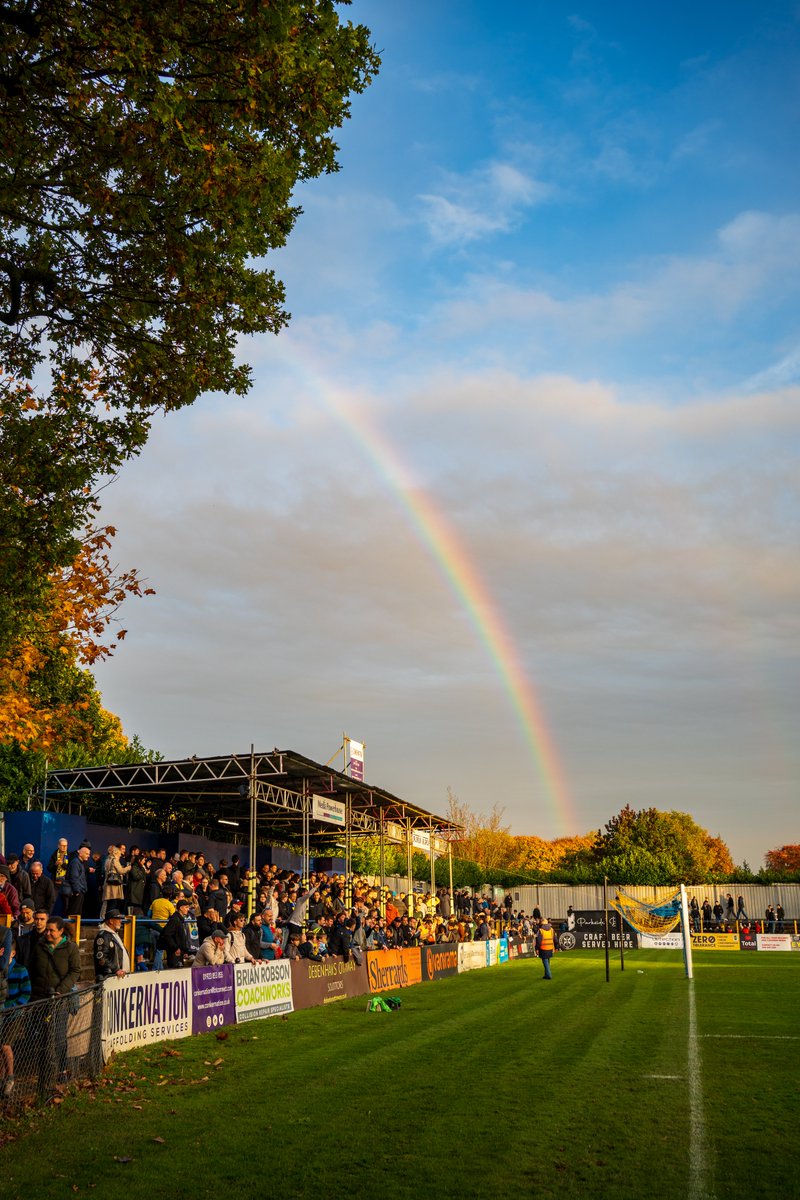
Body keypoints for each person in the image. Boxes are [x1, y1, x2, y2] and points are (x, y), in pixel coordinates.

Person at [93, 910, 130, 980]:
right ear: (111, 921)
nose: (120, 921)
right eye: (118, 919)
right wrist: (116, 970)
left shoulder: (113, 934)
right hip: (109, 978)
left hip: (117, 977)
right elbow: (101, 958)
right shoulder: (103, 936)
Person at [99, 845, 130, 921]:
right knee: (113, 903)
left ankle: (103, 918)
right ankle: (109, 919)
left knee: (107, 902)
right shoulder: (115, 860)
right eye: (119, 854)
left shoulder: (107, 860)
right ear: (116, 853)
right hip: (114, 885)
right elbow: (121, 871)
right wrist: (128, 868)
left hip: (107, 884)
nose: (120, 856)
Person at [61, 846, 91, 918]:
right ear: (80, 854)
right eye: (87, 854)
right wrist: (77, 891)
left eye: (89, 854)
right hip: (77, 892)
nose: (88, 856)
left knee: (77, 913)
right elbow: (74, 878)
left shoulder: (80, 863)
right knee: (74, 912)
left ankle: (75, 928)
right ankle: (71, 928)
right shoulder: (75, 862)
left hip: (80, 891)